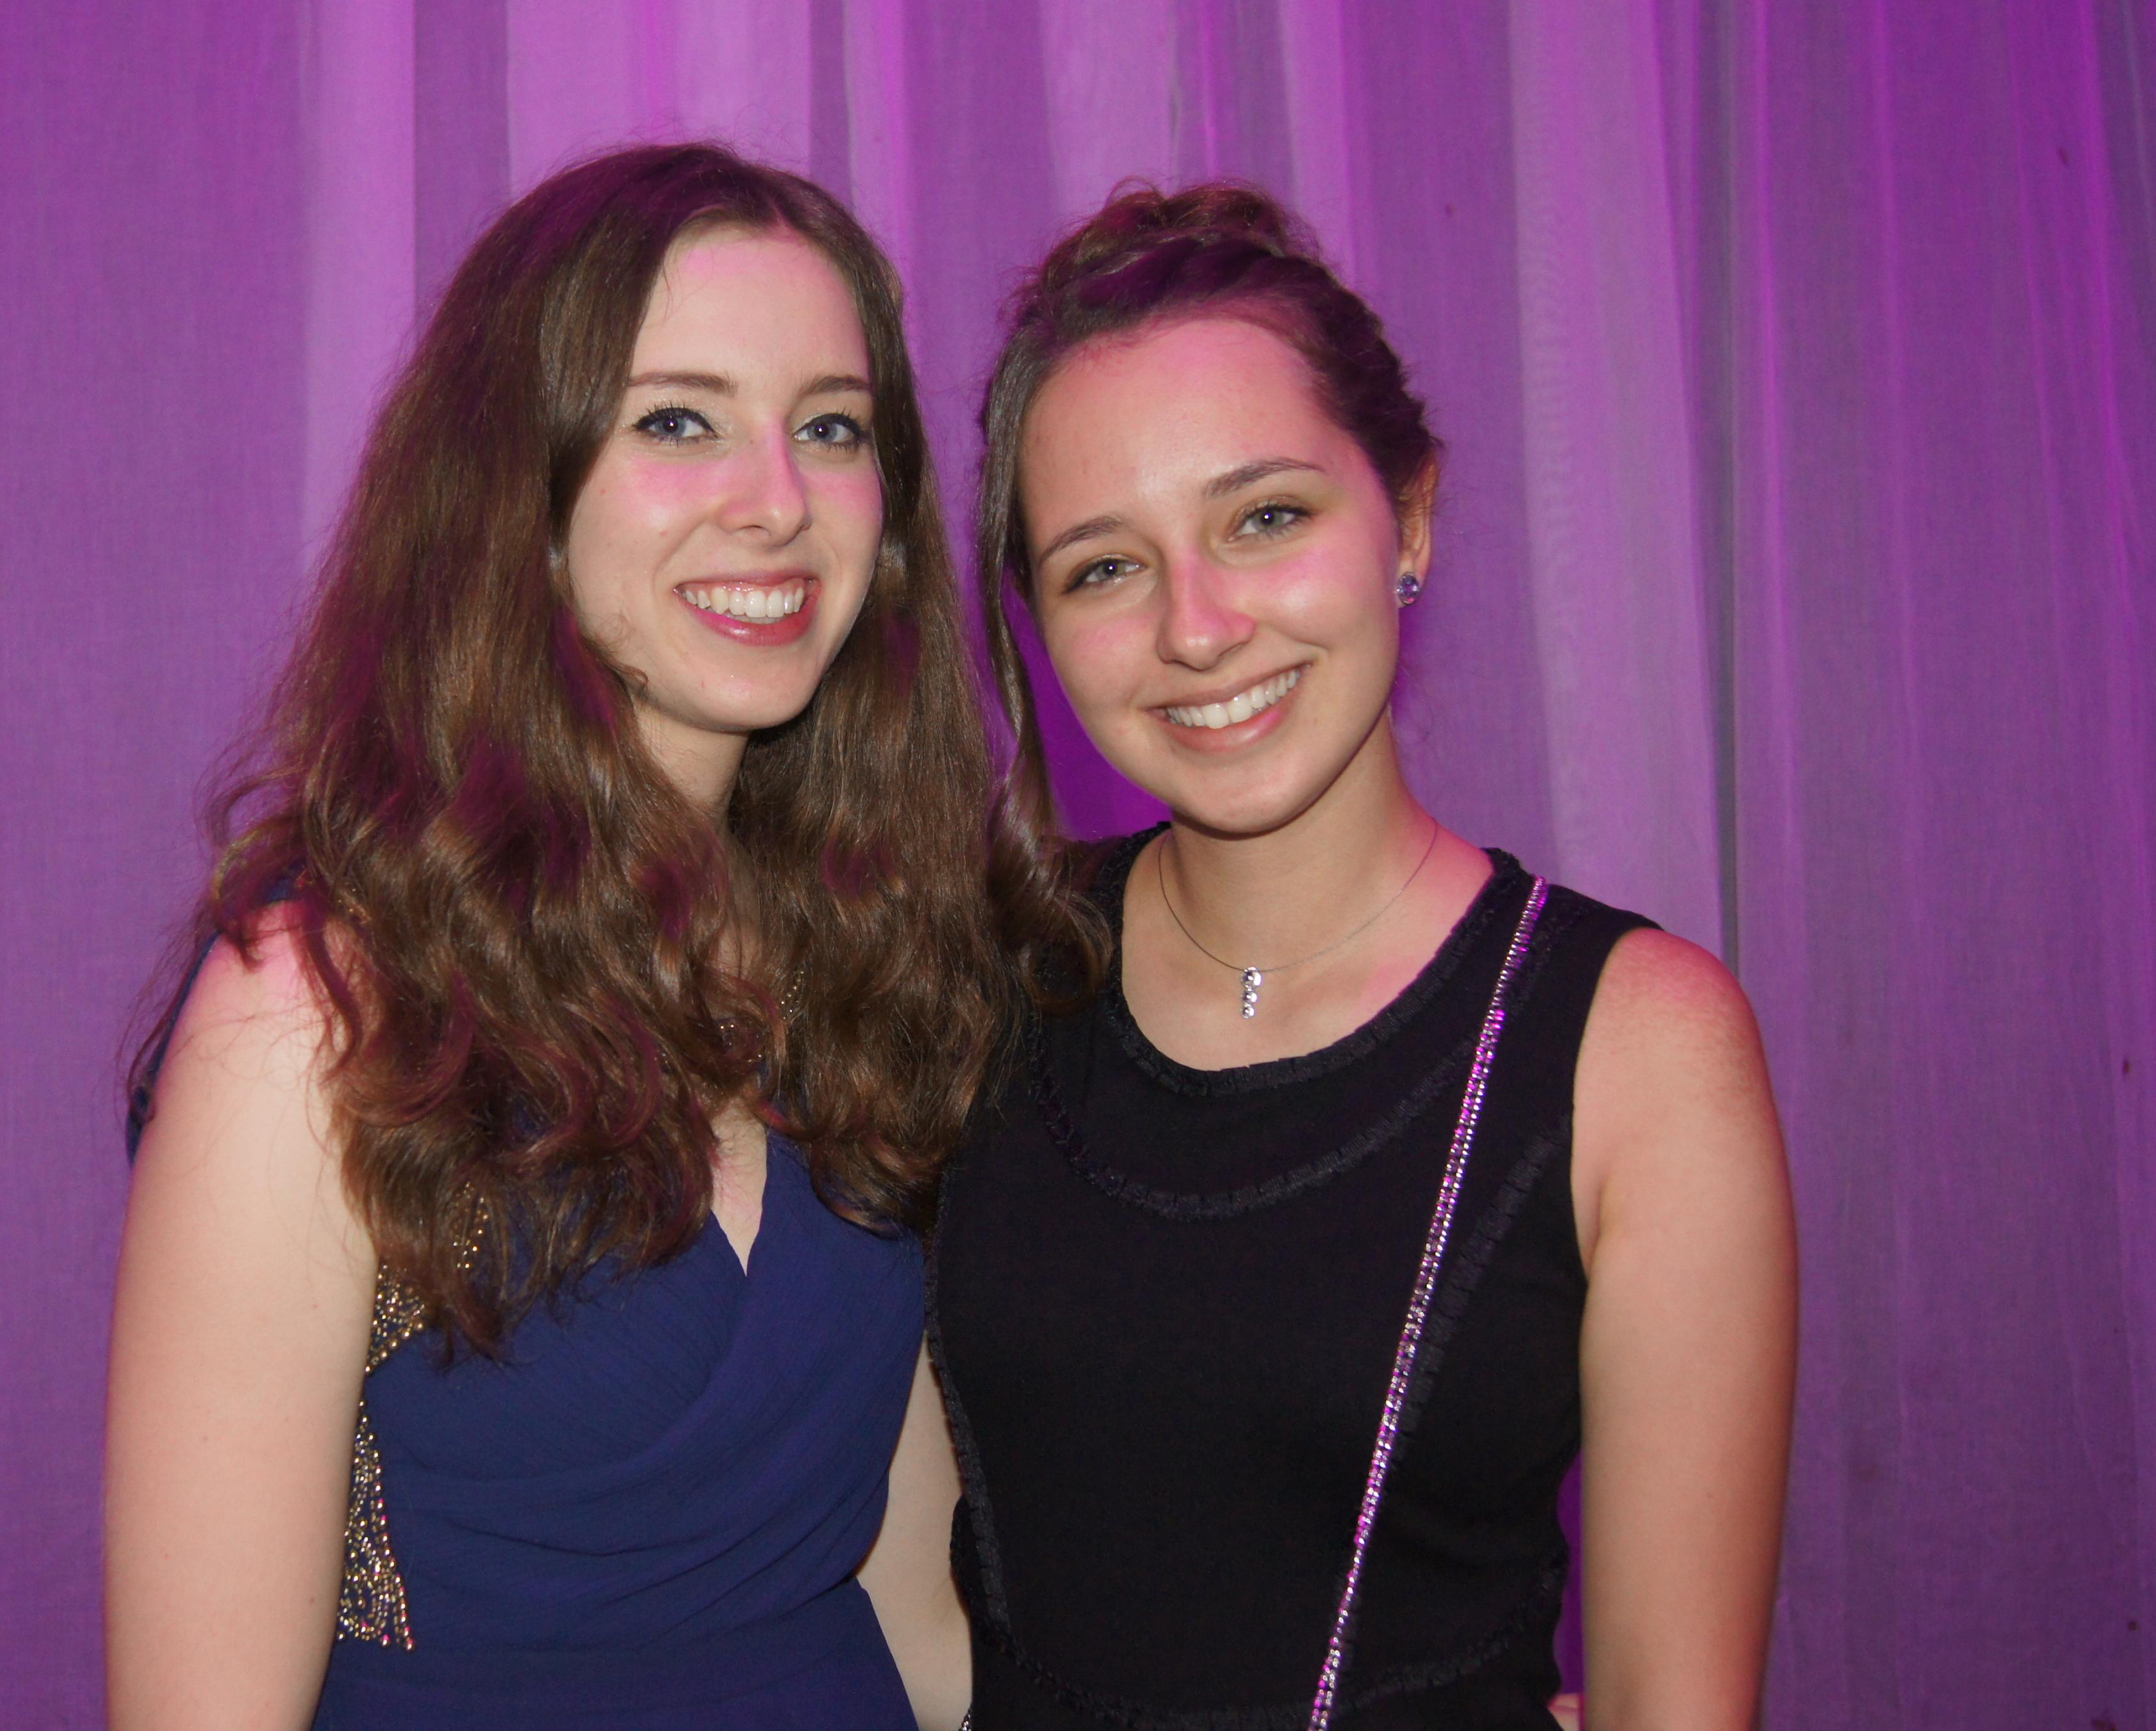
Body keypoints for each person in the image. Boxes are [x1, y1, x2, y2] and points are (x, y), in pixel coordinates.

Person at [105, 143, 1005, 1731]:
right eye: (678, 421)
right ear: (516, 490)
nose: (777, 500)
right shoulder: (317, 1015)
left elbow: (913, 1610)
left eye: (830, 427)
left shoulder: (867, 960)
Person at [933, 184, 1798, 1729]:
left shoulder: (1636, 1047)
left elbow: (1672, 1701)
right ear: (1036, 625)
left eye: (1264, 518)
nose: (1198, 627)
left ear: (1406, 514)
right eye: (1103, 567)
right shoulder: (973, 980)